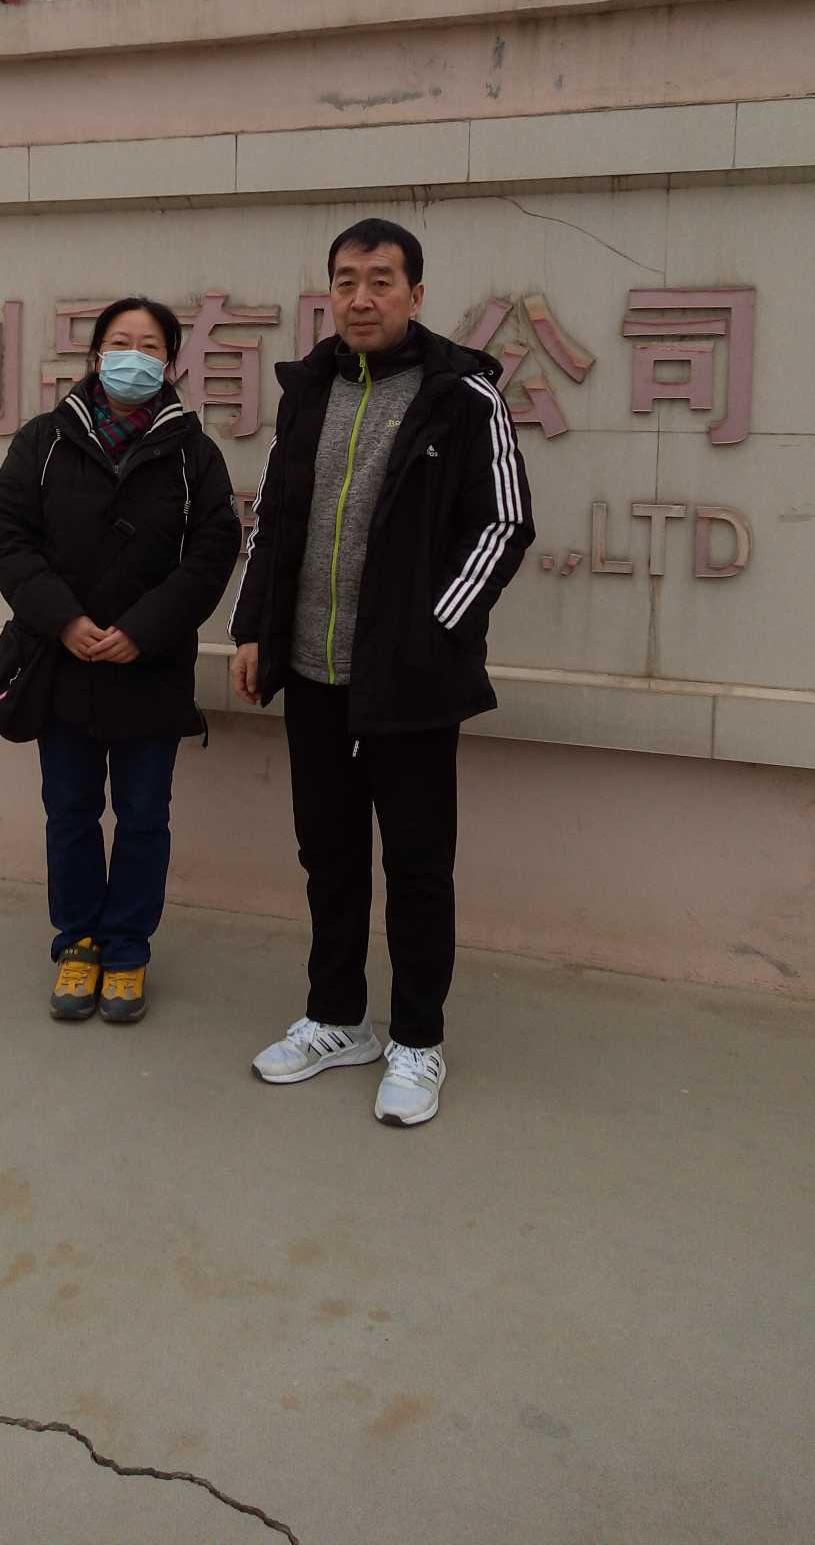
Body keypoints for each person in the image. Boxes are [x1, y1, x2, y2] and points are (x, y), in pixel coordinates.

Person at [230, 218, 534, 1125]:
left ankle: (417, 1039)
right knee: (327, 856)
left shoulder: (461, 395)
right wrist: (251, 628)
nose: (361, 298)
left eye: (381, 281)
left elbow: (505, 522)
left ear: (416, 293)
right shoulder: (308, 390)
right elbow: (271, 520)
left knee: (417, 865)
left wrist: (435, 629)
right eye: (346, 281)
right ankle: (337, 1018)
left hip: (409, 684)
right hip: (313, 675)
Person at [0, 297, 241, 1025]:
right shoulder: (44, 440)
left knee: (143, 816)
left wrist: (142, 630)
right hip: (60, 663)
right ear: (96, 355)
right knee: (69, 812)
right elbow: (8, 536)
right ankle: (78, 941)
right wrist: (63, 619)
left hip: (149, 670)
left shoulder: (194, 453)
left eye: (150, 345)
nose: (134, 356)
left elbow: (212, 552)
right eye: (120, 342)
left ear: (170, 361)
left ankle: (127, 947)